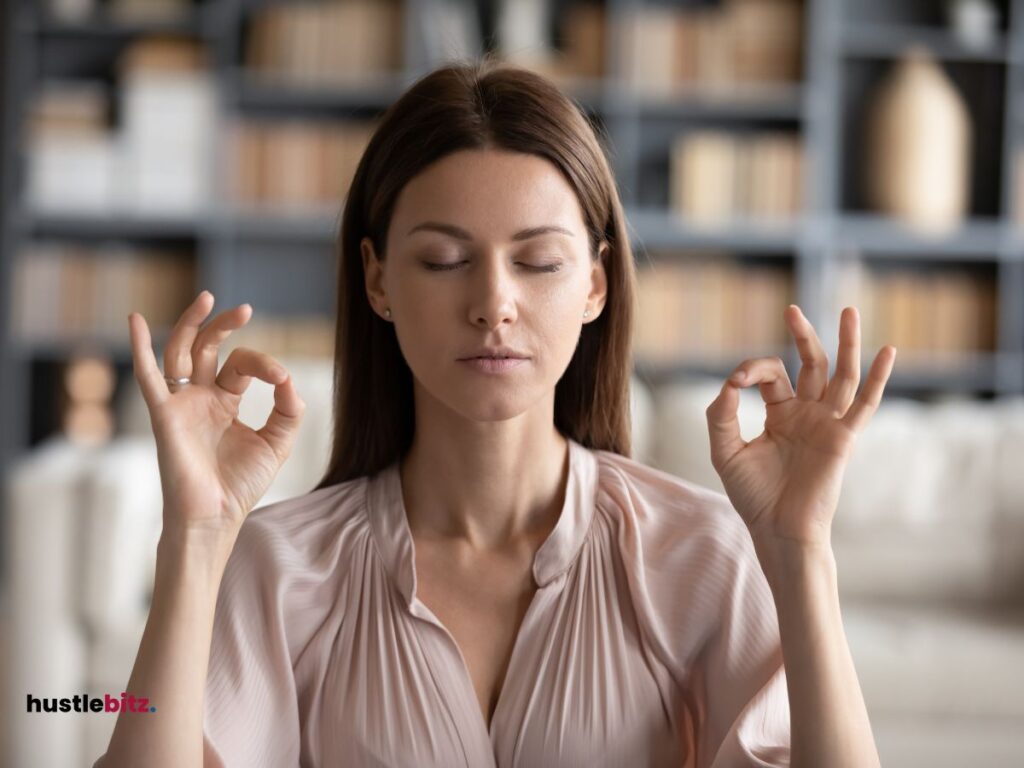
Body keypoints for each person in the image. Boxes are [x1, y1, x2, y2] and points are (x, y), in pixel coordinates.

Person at [95, 58, 892, 768]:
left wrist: (799, 553)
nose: (494, 305)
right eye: (444, 260)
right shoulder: (279, 567)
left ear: (595, 283)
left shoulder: (698, 555)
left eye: (539, 261)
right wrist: (195, 540)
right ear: (376, 280)